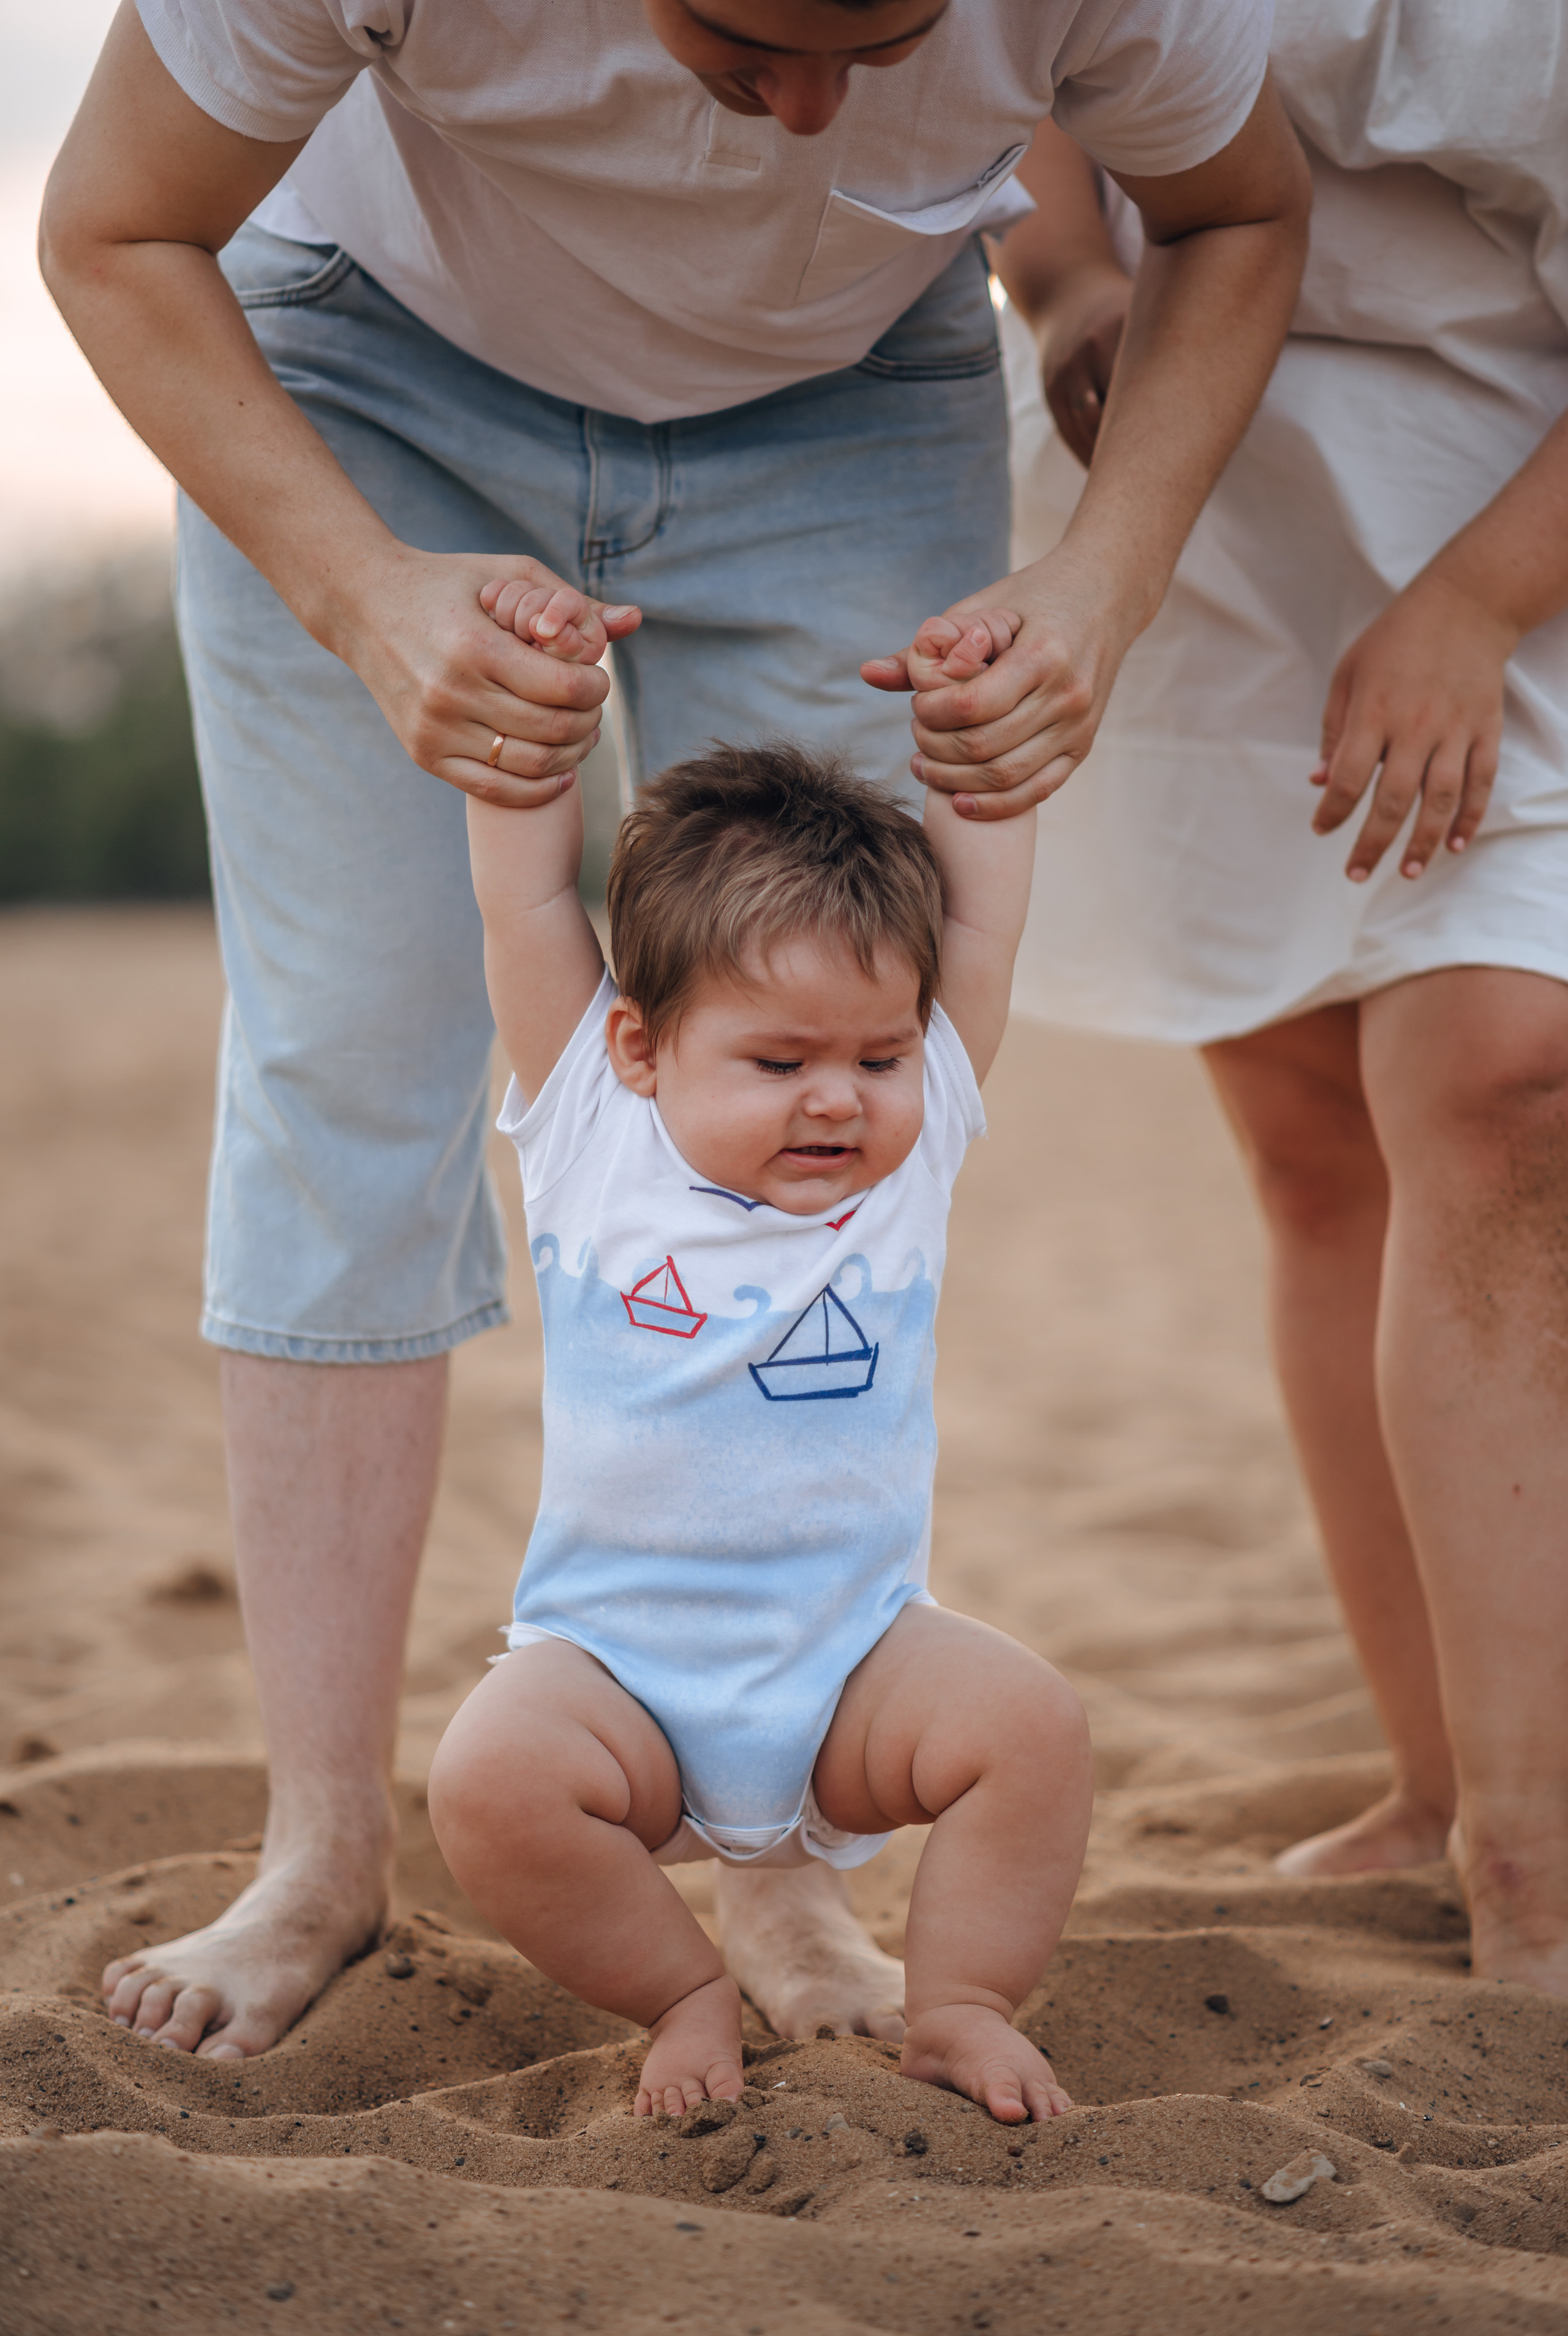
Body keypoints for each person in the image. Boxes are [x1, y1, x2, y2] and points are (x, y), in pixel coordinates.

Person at [40, 0, 1308, 2059]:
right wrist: (364, 593)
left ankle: (790, 1886)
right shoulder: (600, 1084)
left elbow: (1246, 205)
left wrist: (1102, 582)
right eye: (743, 34)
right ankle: (321, 1849)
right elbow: (107, 225)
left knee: (833, 974)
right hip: (359, 368)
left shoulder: (894, 1104)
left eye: (885, 42)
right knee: (338, 1072)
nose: (807, 114)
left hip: (853, 395)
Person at [991, 0, 1568, 1994]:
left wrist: (1475, 604)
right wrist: (1064, 279)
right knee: (1317, 1153)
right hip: (1194, 474)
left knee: (1506, 1083)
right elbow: (1026, 60)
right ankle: (1434, 1774)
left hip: (1521, 486)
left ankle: (1535, 1848)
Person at [429, 594, 1089, 2122]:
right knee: (485, 1780)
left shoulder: (908, 1152)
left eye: (876, 1056)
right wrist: (535, 716)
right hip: (619, 1680)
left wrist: (975, 742)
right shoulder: (594, 1132)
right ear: (640, 1048)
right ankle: (683, 1993)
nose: (838, 1100)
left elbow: (978, 928)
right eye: (777, 1061)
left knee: (1031, 1730)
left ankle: (959, 2005)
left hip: (853, 1665)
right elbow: (523, 906)